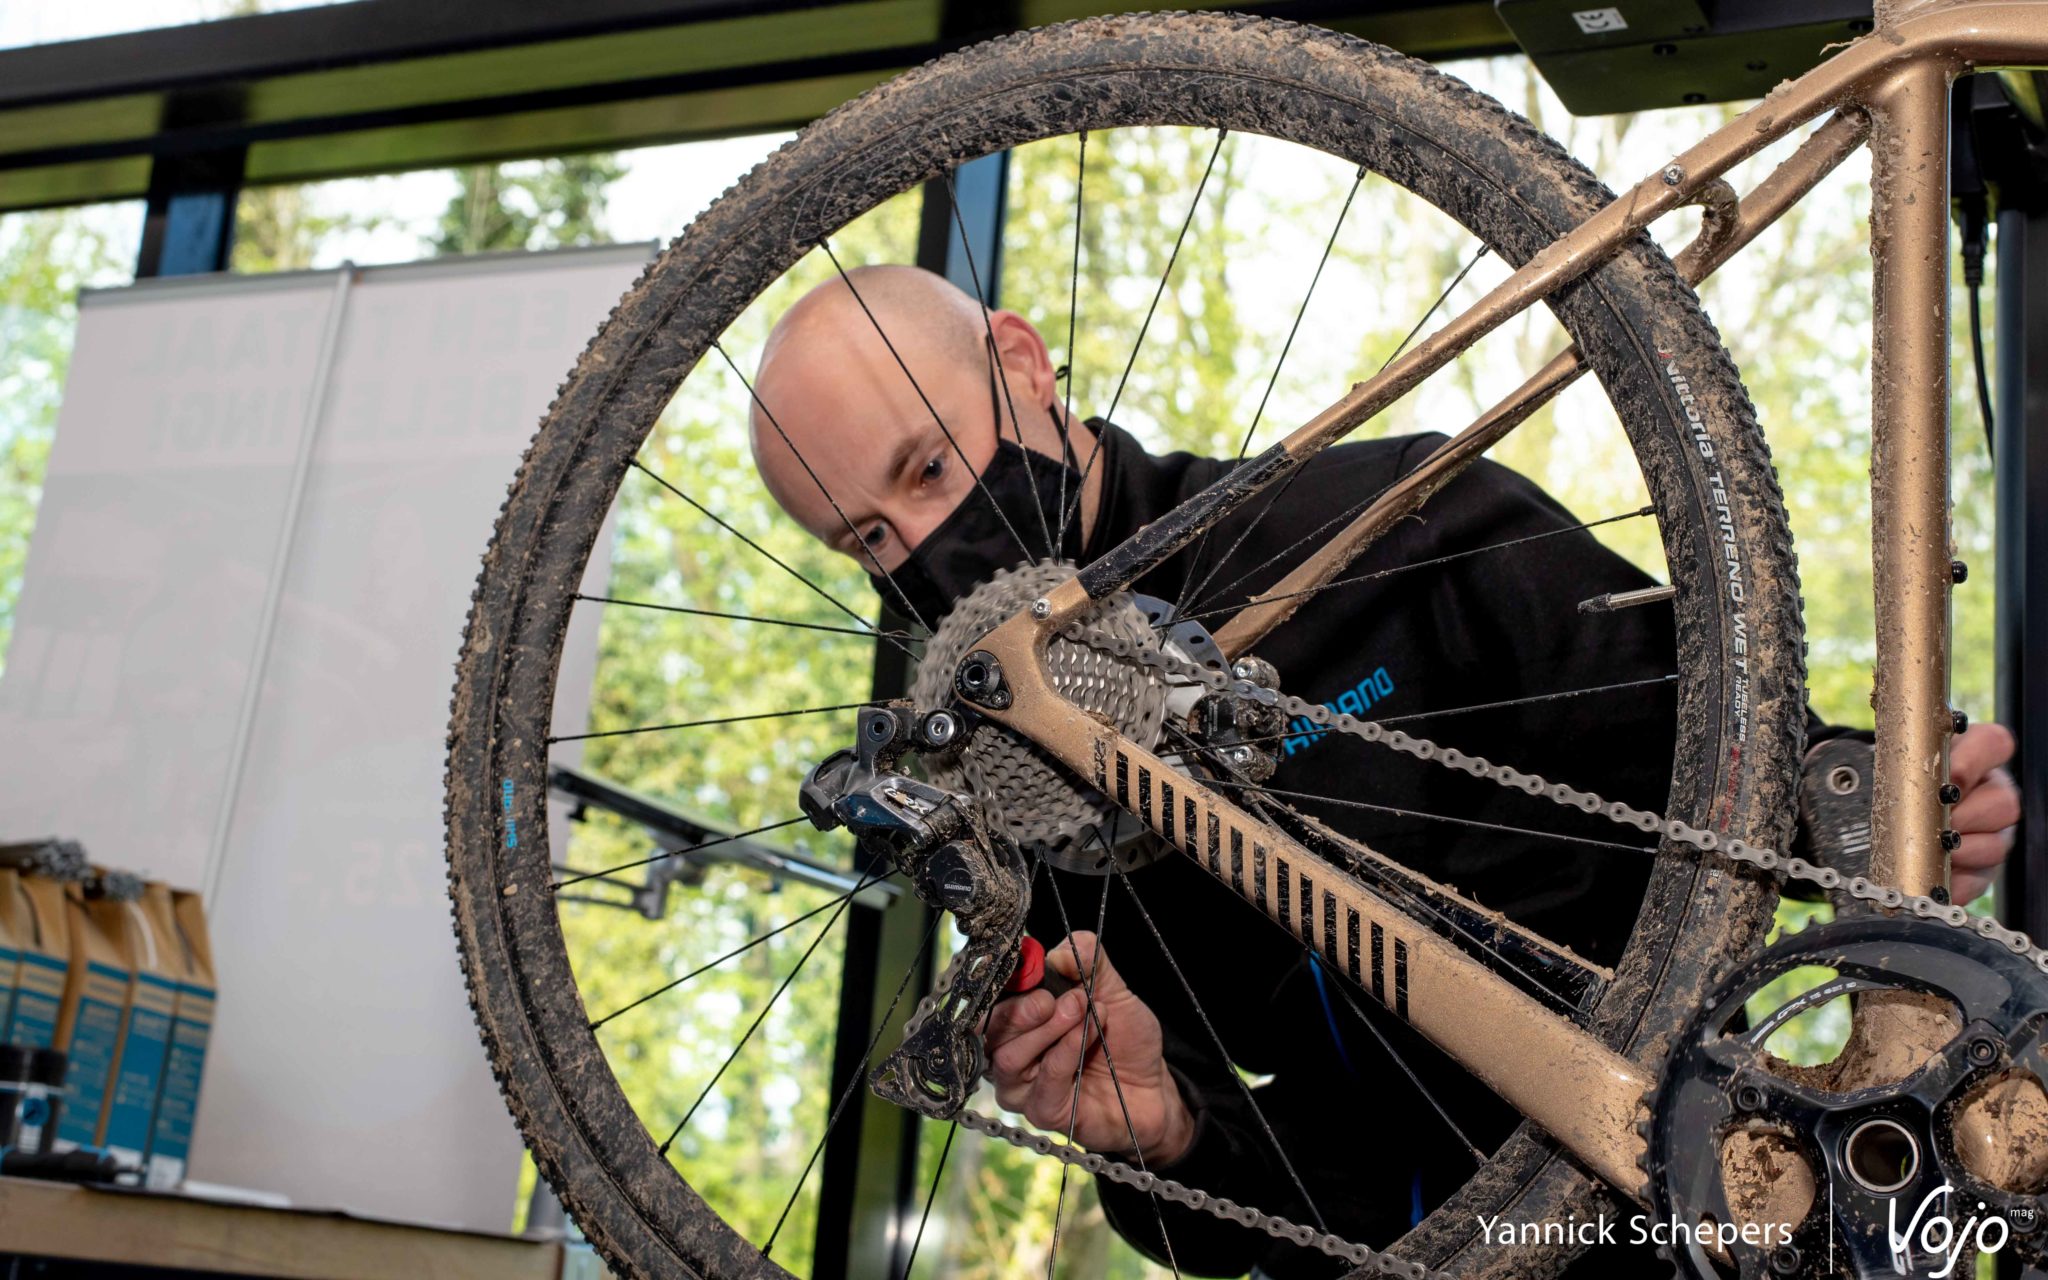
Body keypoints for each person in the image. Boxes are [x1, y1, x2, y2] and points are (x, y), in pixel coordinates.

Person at [748, 265, 2020, 1276]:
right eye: (868, 536)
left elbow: (1688, 722)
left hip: (1719, 1174)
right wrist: (1166, 1133)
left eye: (926, 466)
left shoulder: (1387, 518)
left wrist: (1865, 797)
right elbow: (1242, 1190)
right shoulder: (1015, 797)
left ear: (1023, 366)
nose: (926, 546)